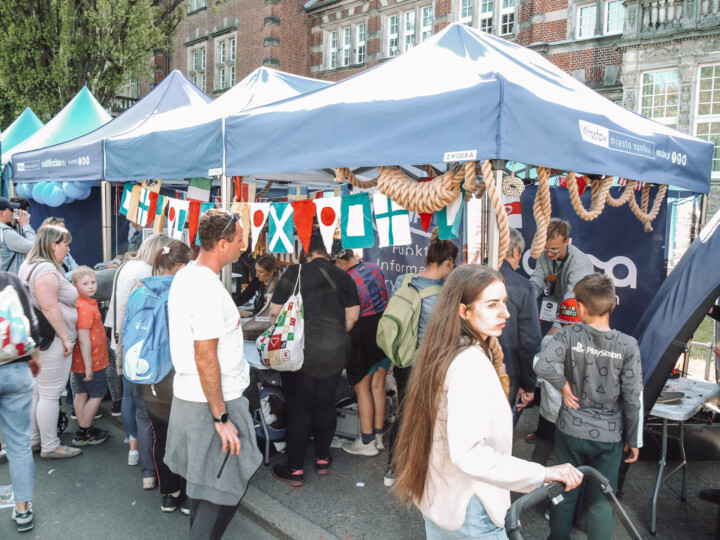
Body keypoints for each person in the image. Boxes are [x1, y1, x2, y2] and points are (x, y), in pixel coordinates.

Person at [392, 265, 583, 538]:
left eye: (504, 302)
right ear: (463, 311)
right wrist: (544, 473)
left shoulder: (443, 349)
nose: (505, 313)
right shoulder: (469, 363)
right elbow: (469, 453)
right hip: (471, 509)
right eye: (492, 304)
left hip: (442, 498)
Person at [165, 209, 261, 538]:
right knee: (220, 492)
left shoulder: (186, 275)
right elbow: (205, 356)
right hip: (213, 402)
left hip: (193, 396)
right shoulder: (205, 286)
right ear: (221, 244)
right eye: (239, 240)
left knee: (204, 487)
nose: (244, 245)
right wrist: (221, 418)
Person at [534, 273, 643, 540]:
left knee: (563, 494)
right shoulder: (628, 345)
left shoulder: (570, 334)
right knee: (601, 502)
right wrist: (634, 439)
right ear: (612, 304)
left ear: (581, 307)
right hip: (609, 438)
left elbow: (541, 364)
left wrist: (562, 385)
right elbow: (633, 397)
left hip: (570, 430)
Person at [269, 234, 360, 486]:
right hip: (334, 350)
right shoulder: (344, 276)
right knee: (325, 403)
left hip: (300, 351)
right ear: (329, 253)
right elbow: (352, 318)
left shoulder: (293, 273)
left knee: (299, 407)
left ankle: (295, 469)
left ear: (307, 252)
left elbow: (275, 313)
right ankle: (322, 459)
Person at [385, 230, 458, 487]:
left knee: (403, 413)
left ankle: (393, 468)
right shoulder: (444, 294)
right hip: (429, 363)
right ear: (449, 262)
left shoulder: (403, 280)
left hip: (403, 360)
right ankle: (420, 470)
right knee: (427, 417)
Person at [133, 240, 194, 514]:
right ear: (181, 266)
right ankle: (191, 496)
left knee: (162, 436)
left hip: (148, 376)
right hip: (180, 375)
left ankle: (169, 493)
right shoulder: (185, 293)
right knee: (191, 436)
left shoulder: (139, 292)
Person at [105, 232, 170, 483]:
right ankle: (151, 464)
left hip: (125, 339)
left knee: (131, 398)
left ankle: (135, 451)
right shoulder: (147, 274)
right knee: (147, 410)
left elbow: (121, 308)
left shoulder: (126, 266)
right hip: (145, 348)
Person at [18, 225, 81, 459]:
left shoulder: (29, 264)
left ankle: (36, 440)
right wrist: (66, 337)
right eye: (65, 244)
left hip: (38, 339)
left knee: (38, 393)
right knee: (50, 395)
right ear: (53, 245)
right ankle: (50, 446)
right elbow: (48, 305)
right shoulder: (45, 269)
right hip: (52, 339)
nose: (68, 248)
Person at [332, 247, 389, 456]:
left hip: (361, 335)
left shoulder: (346, 280)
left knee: (362, 389)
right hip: (383, 331)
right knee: (378, 386)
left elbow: (351, 316)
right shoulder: (374, 268)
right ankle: (379, 436)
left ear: (338, 263)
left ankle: (367, 442)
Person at [0, 268, 41, 532]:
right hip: (15, 368)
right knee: (18, 444)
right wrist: (33, 358)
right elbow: (32, 325)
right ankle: (22, 509)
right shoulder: (9, 280)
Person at [498, 227, 542, 409]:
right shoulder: (522, 286)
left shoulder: (465, 277)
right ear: (515, 251)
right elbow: (529, 342)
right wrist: (528, 384)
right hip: (507, 372)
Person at [529, 218, 594, 336]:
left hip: (577, 315)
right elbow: (537, 281)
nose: (548, 254)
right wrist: (525, 300)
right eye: (546, 248)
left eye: (554, 249)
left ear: (567, 241)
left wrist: (551, 336)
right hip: (557, 309)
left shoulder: (579, 264)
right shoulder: (545, 254)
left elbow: (571, 305)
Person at [69, 266, 109, 447]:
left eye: (93, 282)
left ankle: (83, 427)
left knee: (82, 392)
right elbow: (84, 340)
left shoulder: (83, 303)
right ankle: (84, 431)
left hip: (81, 361)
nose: (91, 286)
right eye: (85, 283)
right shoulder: (84, 307)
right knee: (97, 394)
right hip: (92, 361)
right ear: (75, 285)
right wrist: (90, 367)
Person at [0, 197, 35, 275]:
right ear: (1, 213)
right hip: (8, 281)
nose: (13, 213)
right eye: (11, 209)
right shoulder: (6, 233)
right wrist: (26, 225)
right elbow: (35, 248)